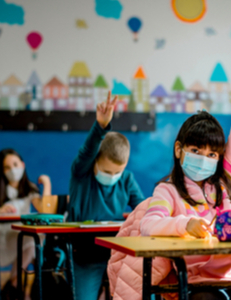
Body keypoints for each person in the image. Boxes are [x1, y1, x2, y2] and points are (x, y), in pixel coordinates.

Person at [108, 41, 231, 300]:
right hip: (202, 283)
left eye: (212, 155)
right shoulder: (168, 190)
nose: (204, 159)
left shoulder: (226, 181)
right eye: (196, 151)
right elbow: (149, 225)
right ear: (179, 149)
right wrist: (186, 223)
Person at [68, 94, 145, 300]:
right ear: (95, 161)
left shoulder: (126, 179)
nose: (112, 177)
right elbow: (87, 151)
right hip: (85, 254)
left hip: (119, 251)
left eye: (117, 172)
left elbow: (144, 207)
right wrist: (101, 126)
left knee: (142, 291)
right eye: (107, 171)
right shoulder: (81, 173)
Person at [0, 148, 51, 298]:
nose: (12, 170)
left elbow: (45, 210)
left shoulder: (30, 188)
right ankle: (3, 289)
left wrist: (46, 184)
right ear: (2, 170)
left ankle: (13, 283)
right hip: (0, 236)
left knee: (36, 237)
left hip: (19, 236)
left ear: (22, 165)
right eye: (7, 167)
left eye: (15, 164)